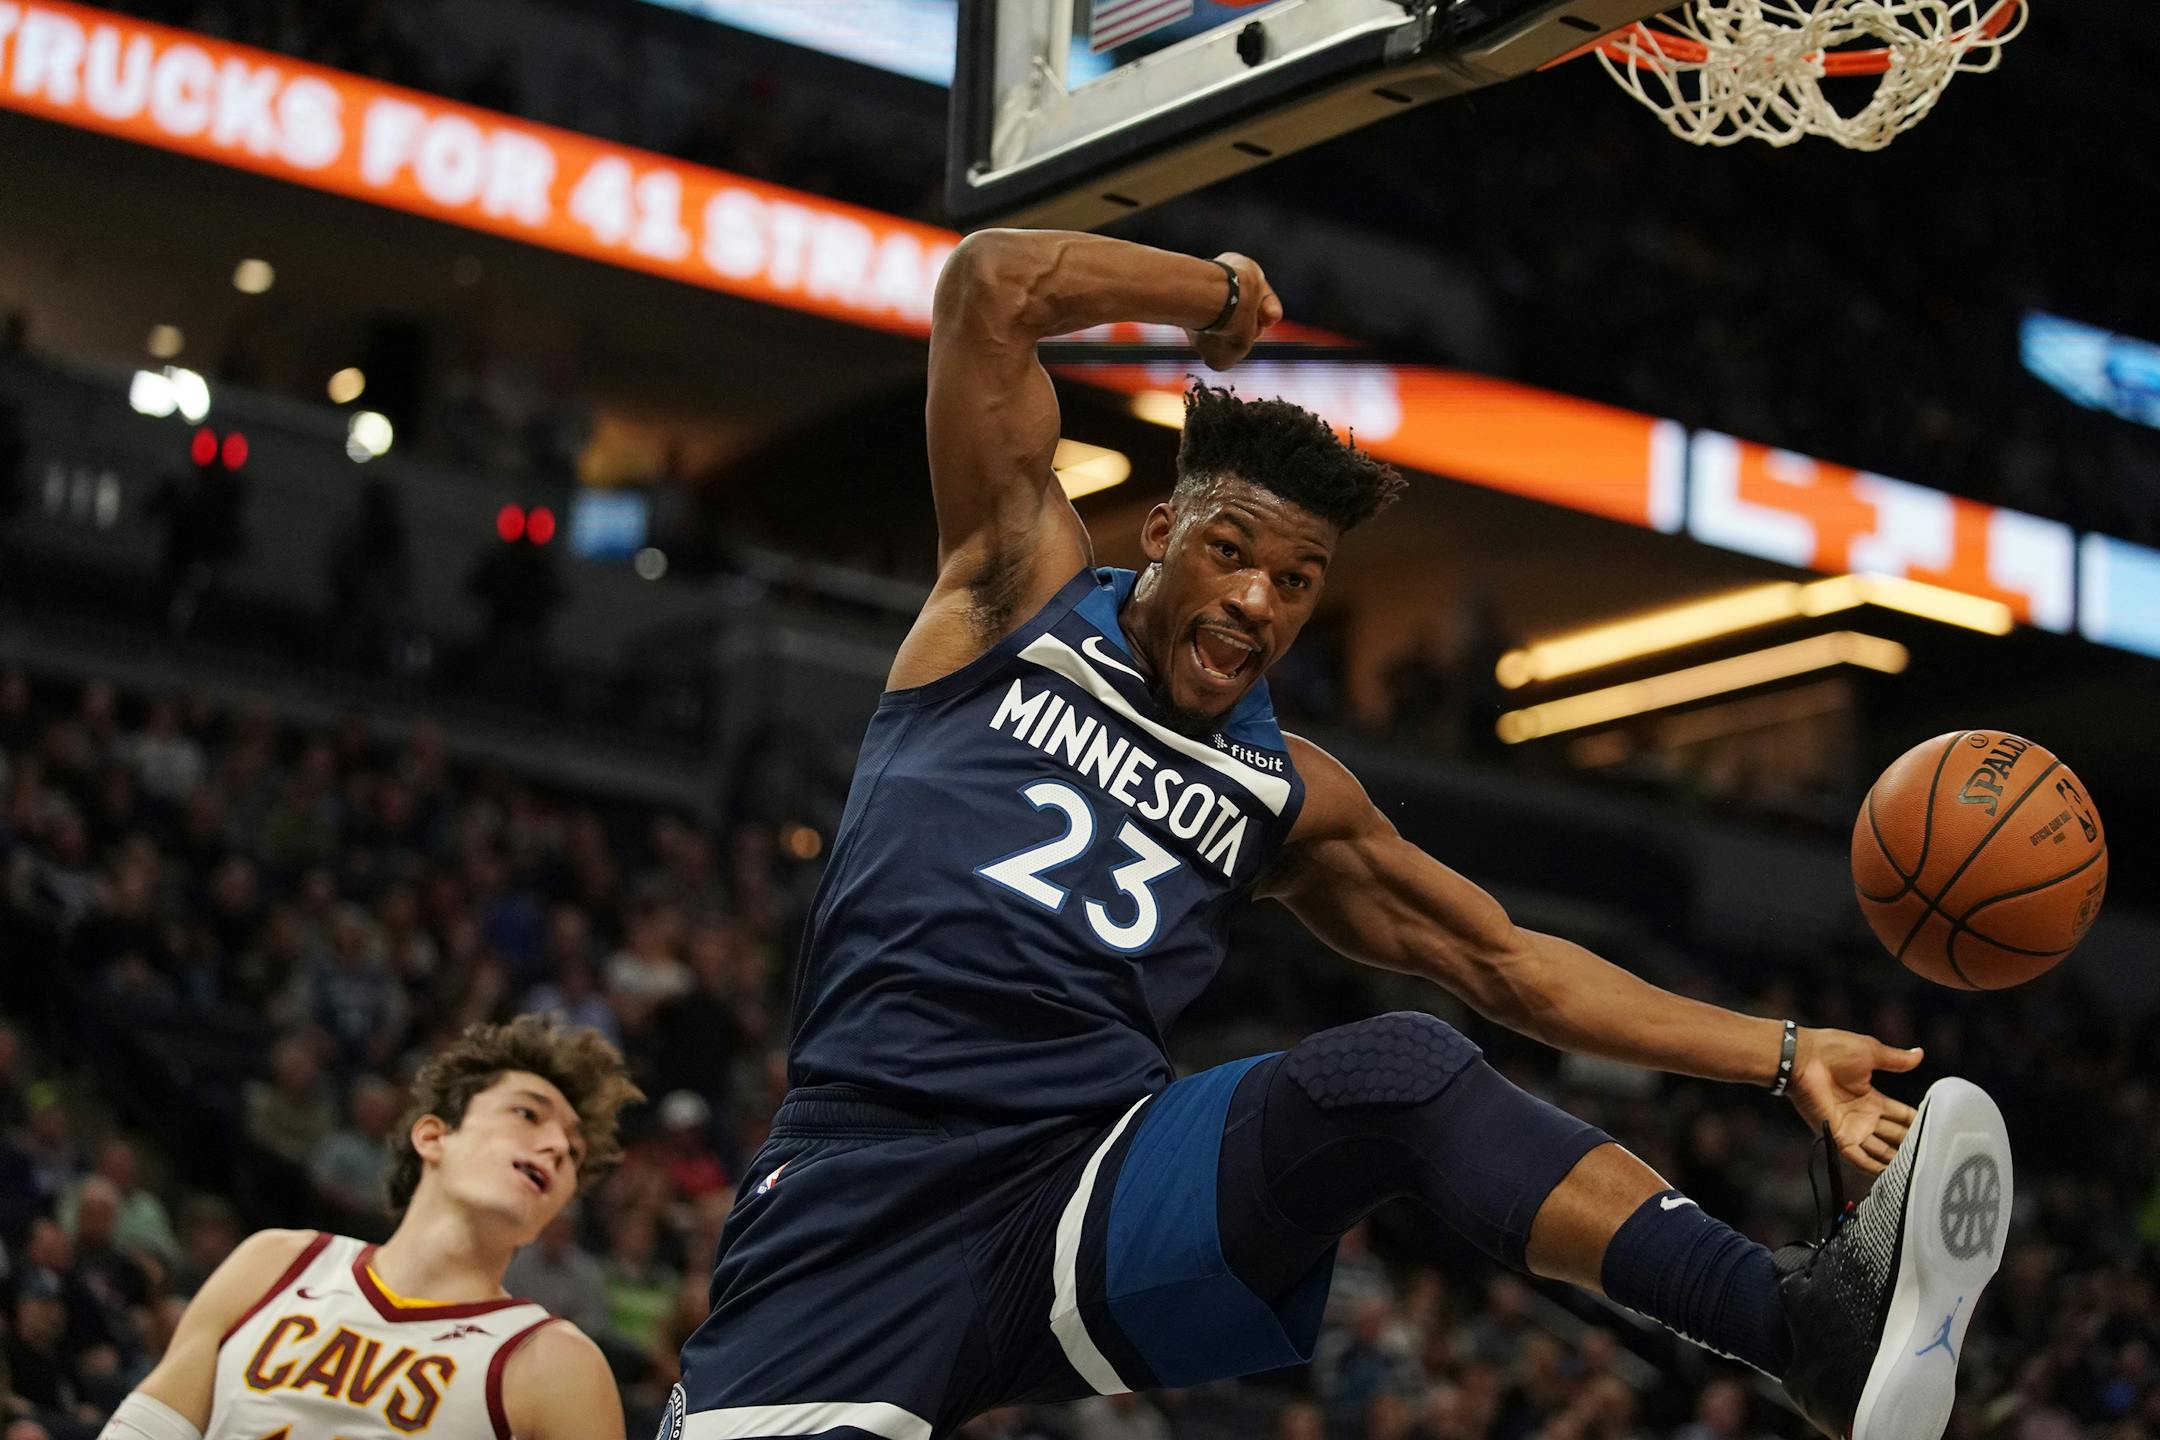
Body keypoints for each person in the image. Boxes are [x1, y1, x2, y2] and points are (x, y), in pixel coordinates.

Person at [670, 230, 2014, 1440]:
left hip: (1080, 1186)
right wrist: (1216, 296)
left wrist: (1788, 1058)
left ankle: (1800, 1330)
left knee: (1405, 1071)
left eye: (1297, 582)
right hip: (870, 1186)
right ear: (1162, 532)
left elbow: (1511, 967)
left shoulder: (1290, 792)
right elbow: (989, 287)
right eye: (1233, 554)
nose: (1258, 600)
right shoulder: (1011, 595)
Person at [97, 1016, 641, 1440]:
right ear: (432, 1137)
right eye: (528, 1114)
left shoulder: (555, 1363)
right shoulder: (275, 1263)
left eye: (571, 1152)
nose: (554, 1146)